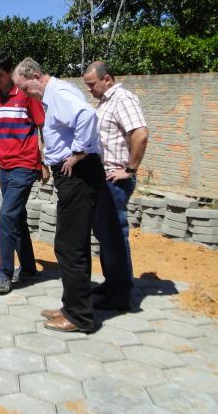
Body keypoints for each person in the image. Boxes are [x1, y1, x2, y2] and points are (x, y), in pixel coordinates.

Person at [12, 57, 104, 333]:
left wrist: (78, 152)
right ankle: (71, 306)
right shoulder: (55, 94)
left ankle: (79, 317)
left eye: (23, 87)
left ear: (36, 76)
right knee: (71, 243)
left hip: (78, 174)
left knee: (69, 246)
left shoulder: (60, 94)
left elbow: (87, 116)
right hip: (72, 175)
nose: (24, 93)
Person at [83, 61, 148, 311]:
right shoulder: (106, 101)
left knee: (115, 237)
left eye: (91, 84)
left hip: (116, 181)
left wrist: (129, 170)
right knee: (106, 236)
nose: (89, 89)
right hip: (105, 179)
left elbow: (140, 134)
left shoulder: (123, 99)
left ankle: (120, 295)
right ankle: (112, 284)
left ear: (107, 79)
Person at [0, 52, 49, 295]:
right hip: (5, 166)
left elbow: (42, 125)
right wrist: (2, 141)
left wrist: (43, 160)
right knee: (17, 216)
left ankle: (5, 273)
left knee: (7, 215)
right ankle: (30, 267)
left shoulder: (25, 95)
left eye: (0, 76)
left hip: (25, 165)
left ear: (11, 72)